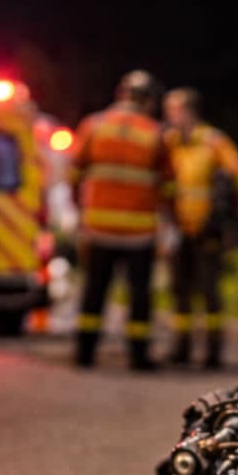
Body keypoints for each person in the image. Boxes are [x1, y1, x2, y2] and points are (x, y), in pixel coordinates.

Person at [72, 70, 172, 370]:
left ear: (121, 94)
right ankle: (138, 355)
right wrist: (170, 223)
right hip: (139, 232)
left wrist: (79, 212)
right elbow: (168, 184)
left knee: (94, 290)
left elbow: (74, 174)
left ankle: (85, 352)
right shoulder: (155, 133)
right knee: (139, 295)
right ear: (149, 100)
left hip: (98, 226)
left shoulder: (94, 125)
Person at [163, 88, 238, 369]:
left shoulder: (213, 142)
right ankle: (181, 347)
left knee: (209, 291)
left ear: (188, 112)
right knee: (180, 290)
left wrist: (226, 215)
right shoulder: (169, 143)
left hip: (208, 229)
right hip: (178, 228)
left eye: (174, 111)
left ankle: (213, 351)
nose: (170, 117)